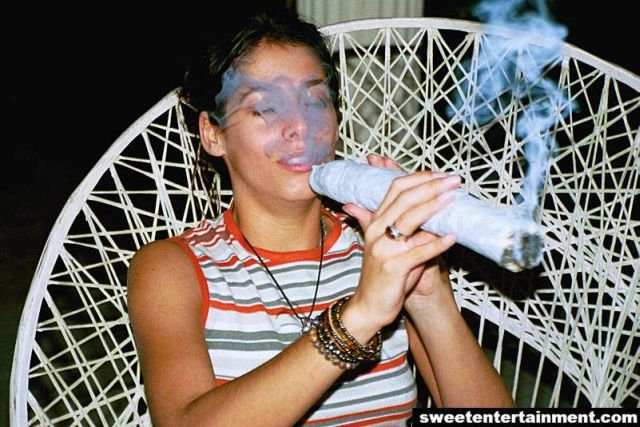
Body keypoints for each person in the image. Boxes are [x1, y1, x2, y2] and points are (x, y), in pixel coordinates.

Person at [127, 9, 514, 426]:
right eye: (265, 108)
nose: (300, 126)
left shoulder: (379, 248)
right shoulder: (173, 268)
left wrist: (431, 296)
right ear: (213, 134)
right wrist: (360, 315)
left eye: (315, 100)